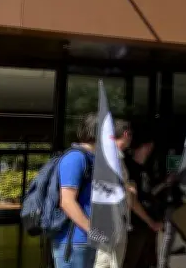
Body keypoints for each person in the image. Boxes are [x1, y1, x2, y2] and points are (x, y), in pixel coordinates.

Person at [53, 113, 98, 268]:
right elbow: (67, 201)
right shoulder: (76, 158)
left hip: (86, 241)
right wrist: (92, 231)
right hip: (74, 243)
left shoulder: (93, 159)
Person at [94, 119, 135, 268]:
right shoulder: (110, 156)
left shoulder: (115, 156)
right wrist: (128, 188)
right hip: (109, 221)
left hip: (118, 220)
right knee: (104, 262)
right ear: (126, 134)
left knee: (112, 262)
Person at [122, 131, 164, 268]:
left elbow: (148, 194)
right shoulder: (129, 168)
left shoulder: (144, 169)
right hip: (136, 225)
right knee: (132, 261)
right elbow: (133, 201)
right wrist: (150, 222)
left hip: (145, 226)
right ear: (145, 146)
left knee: (146, 261)